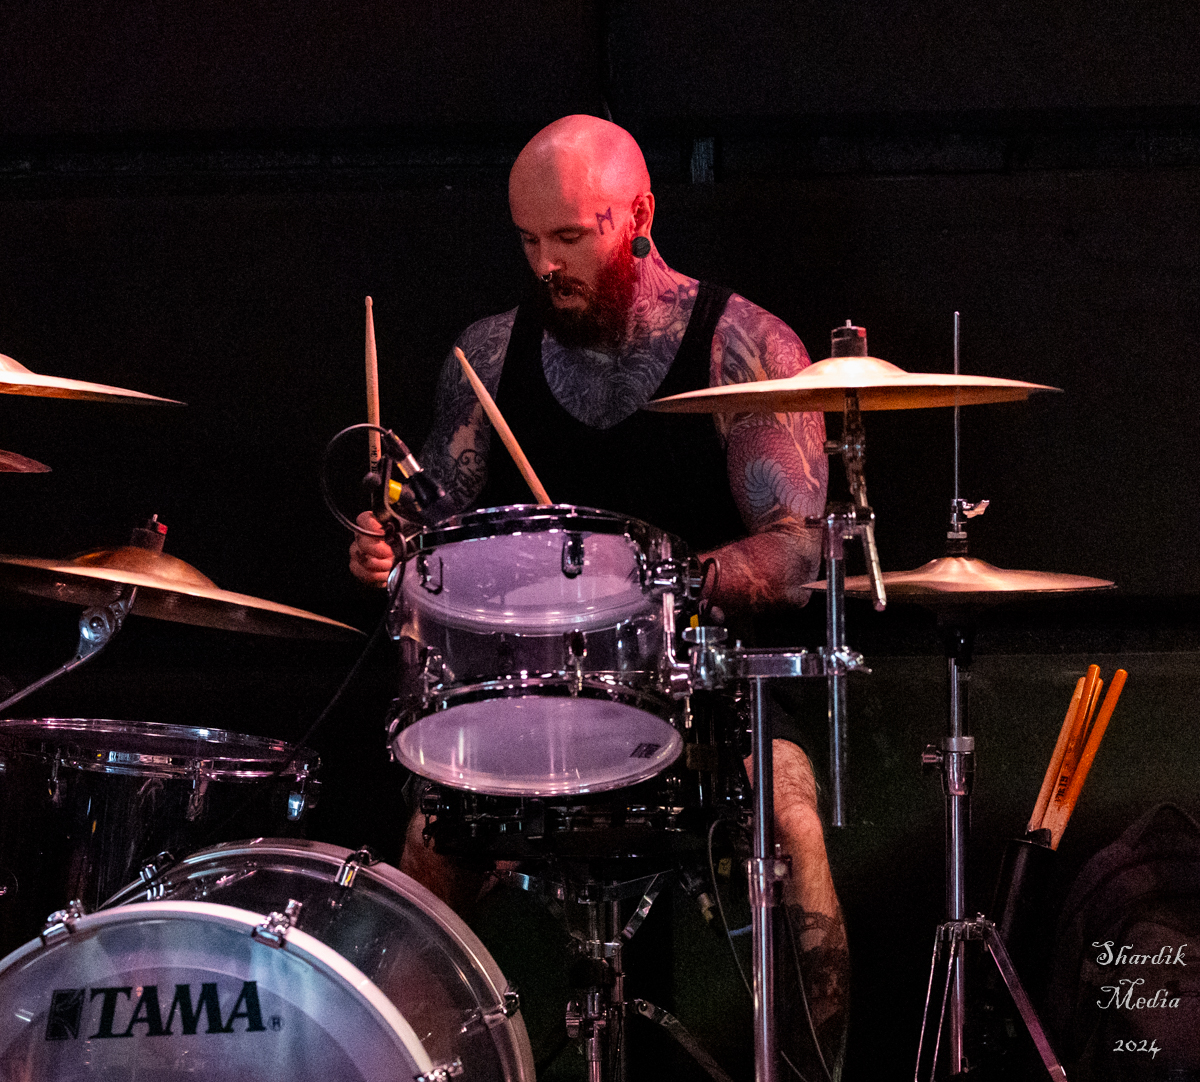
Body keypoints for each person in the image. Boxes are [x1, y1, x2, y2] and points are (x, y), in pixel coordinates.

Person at [349, 114, 848, 1077]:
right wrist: (394, 557)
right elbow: (439, 541)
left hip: (700, 681)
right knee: (423, 848)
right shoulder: (486, 357)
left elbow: (793, 555)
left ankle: (816, 1068)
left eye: (570, 236)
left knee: (790, 812)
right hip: (533, 690)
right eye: (529, 240)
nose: (546, 264)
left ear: (639, 217)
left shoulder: (743, 345)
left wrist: (644, 589)